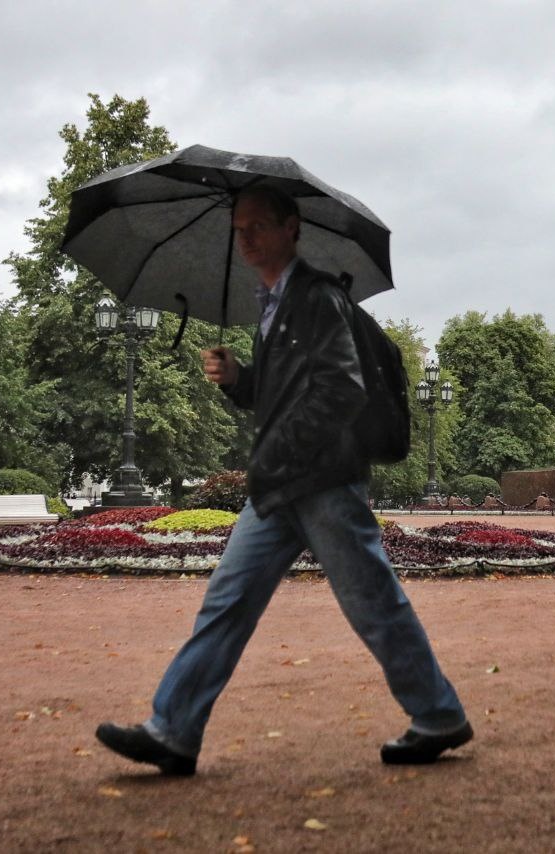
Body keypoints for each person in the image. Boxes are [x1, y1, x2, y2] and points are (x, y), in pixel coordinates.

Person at [94, 184, 471, 776]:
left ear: (291, 228)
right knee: (227, 601)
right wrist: (240, 379)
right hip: (282, 486)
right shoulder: (272, 304)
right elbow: (280, 396)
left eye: (258, 226)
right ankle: (173, 730)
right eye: (238, 228)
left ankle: (439, 715)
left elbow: (341, 389)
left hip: (321, 482)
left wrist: (286, 449)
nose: (244, 238)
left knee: (373, 603)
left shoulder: (316, 298)